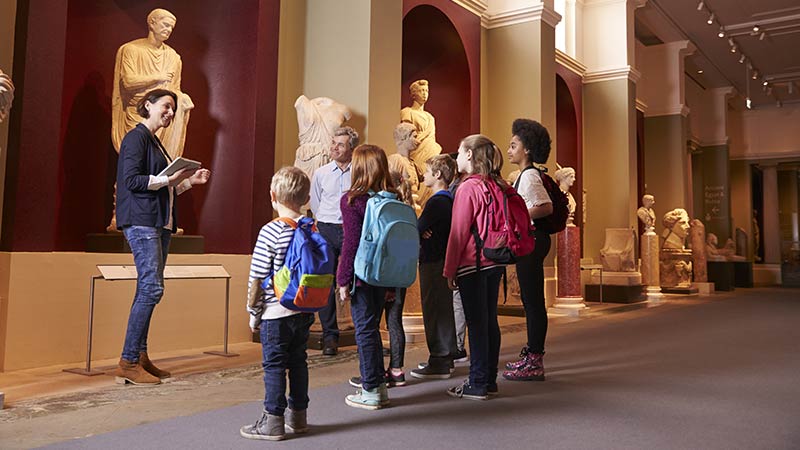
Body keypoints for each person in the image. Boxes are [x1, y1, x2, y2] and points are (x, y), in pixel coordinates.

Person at [113, 89, 211, 385]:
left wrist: (188, 182)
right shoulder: (136, 137)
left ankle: (139, 357)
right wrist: (170, 179)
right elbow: (131, 180)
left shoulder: (156, 142)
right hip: (142, 222)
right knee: (151, 289)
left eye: (173, 108)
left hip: (158, 223)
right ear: (148, 106)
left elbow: (163, 186)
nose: (170, 112)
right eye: (166, 106)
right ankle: (128, 361)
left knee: (148, 289)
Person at [240, 167, 315, 441]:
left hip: (276, 312)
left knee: (273, 365)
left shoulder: (271, 230)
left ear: (272, 196)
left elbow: (258, 277)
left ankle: (272, 421)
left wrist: (253, 313)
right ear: (306, 198)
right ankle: (299, 416)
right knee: (298, 362)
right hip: (304, 310)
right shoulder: (311, 227)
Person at [110, 8, 193, 232]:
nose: (168, 30)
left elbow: (173, 90)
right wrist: (157, 78)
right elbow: (127, 82)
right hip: (136, 114)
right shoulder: (131, 50)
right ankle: (121, 215)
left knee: (162, 165)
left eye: (171, 28)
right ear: (152, 23)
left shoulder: (174, 57)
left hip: (163, 116)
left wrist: (180, 102)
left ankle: (163, 218)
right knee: (135, 166)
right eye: (164, 25)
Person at [444, 134, 508, 400]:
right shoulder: (497, 184)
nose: (456, 157)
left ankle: (477, 382)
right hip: (495, 261)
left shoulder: (468, 188)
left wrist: (449, 270)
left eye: (459, 152)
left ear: (469, 154)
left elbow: (458, 232)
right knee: (489, 321)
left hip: (472, 263)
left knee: (476, 324)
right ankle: (489, 379)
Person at [338, 144, 398, 409]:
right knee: (373, 328)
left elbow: (350, 243)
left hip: (363, 274)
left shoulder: (353, 200)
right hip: (387, 274)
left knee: (364, 330)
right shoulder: (392, 199)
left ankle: (371, 389)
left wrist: (342, 279)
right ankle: (380, 387)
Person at [502, 119, 553, 382]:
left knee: (533, 303)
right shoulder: (526, 175)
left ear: (528, 150)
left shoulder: (530, 175)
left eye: (513, 145)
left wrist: (518, 216)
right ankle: (532, 356)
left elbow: (545, 207)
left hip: (532, 242)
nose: (509, 150)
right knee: (531, 302)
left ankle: (534, 361)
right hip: (534, 241)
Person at [309, 126, 359, 356]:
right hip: (327, 228)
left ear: (351, 148)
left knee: (356, 280)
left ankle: (363, 333)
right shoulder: (321, 173)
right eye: (333, 143)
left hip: (351, 228)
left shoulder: (359, 172)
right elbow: (316, 202)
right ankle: (330, 336)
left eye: (340, 144)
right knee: (326, 282)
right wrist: (324, 222)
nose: (334, 147)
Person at [411, 155, 459, 379]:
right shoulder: (448, 200)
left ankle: (439, 358)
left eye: (428, 171)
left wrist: (421, 229)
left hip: (433, 260)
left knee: (433, 309)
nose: (424, 175)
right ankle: (445, 355)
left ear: (438, 175)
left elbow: (416, 228)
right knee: (443, 308)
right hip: (443, 258)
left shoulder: (437, 201)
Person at [401, 80, 442, 206]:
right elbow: (406, 135)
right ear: (413, 94)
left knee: (430, 180)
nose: (425, 94)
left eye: (426, 91)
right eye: (421, 91)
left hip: (430, 153)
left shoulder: (430, 117)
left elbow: (431, 138)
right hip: (416, 153)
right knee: (415, 181)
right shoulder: (407, 112)